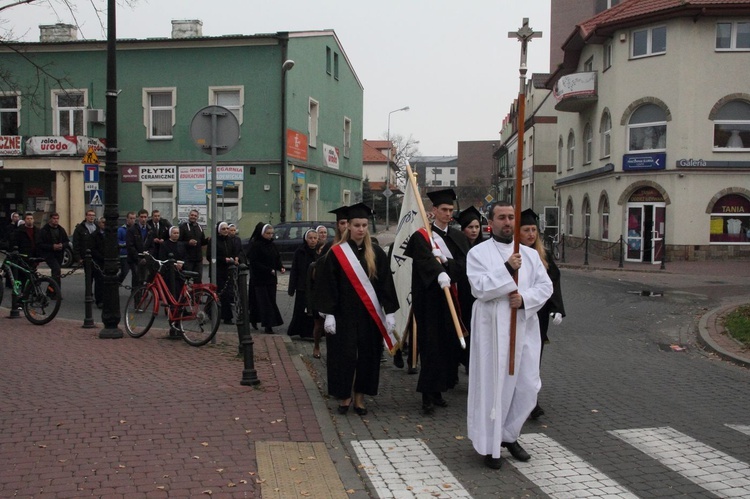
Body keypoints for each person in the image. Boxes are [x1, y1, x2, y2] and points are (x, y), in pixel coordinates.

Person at [466, 202, 553, 470]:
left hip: (523, 326)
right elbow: (479, 288)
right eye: (501, 217)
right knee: (495, 386)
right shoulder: (478, 253)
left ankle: (509, 434)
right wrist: (506, 268)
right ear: (490, 221)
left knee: (527, 386)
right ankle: (490, 445)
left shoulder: (529, 254)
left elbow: (545, 286)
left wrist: (524, 299)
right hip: (493, 327)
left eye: (511, 217)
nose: (507, 222)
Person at [316, 203, 399, 416]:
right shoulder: (336, 253)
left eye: (363, 225)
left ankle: (360, 397)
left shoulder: (377, 253)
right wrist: (329, 314)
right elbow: (327, 285)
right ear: (348, 227)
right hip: (343, 314)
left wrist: (389, 311)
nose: (361, 229)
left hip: (369, 316)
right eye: (356, 225)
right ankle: (344, 396)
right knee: (343, 356)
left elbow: (385, 283)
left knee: (367, 357)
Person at [404, 189, 470, 415]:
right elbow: (422, 263)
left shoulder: (459, 237)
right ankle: (427, 395)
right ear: (433, 211)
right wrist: (437, 271)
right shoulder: (422, 237)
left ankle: (439, 390)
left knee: (446, 347)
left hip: (452, 298)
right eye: (443, 210)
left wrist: (447, 266)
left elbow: (464, 267)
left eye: (451, 210)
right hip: (430, 301)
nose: (448, 214)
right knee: (431, 346)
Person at [518, 208, 566, 419]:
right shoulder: (514, 254)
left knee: (533, 358)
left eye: (534, 230)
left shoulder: (542, 254)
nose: (531, 234)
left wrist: (557, 308)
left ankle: (531, 401)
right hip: (518, 312)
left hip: (538, 314)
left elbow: (553, 280)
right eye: (526, 230)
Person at [248, 223, 285, 333]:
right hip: (259, 279)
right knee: (265, 302)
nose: (270, 236)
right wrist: (268, 269)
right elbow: (254, 262)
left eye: (272, 234)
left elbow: (277, 258)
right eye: (268, 233)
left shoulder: (272, 245)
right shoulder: (256, 245)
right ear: (262, 233)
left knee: (271, 300)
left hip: (271, 278)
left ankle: (256, 319)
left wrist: (280, 267)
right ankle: (268, 325)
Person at [287, 229, 319, 339]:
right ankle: (298, 330)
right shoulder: (299, 252)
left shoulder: (319, 252)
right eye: (310, 238)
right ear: (306, 239)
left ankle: (312, 332)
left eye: (315, 238)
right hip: (302, 286)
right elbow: (294, 270)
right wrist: (291, 288)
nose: (313, 240)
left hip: (315, 287)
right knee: (301, 309)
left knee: (313, 310)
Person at [159, 225, 188, 337]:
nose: (176, 234)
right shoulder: (165, 245)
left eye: (177, 233)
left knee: (180, 300)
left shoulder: (181, 245)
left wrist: (182, 263)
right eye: (174, 233)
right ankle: (173, 325)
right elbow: (163, 259)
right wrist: (174, 264)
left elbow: (185, 257)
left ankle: (179, 325)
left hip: (179, 275)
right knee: (172, 300)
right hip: (169, 275)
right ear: (170, 234)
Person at [214, 221, 240, 325]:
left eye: (226, 229)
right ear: (219, 230)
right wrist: (224, 259)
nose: (226, 231)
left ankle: (219, 314)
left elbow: (234, 251)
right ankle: (226, 317)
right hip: (219, 269)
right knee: (221, 292)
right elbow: (211, 256)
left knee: (227, 293)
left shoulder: (230, 240)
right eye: (223, 229)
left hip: (229, 269)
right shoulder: (215, 241)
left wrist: (235, 258)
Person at [36, 212, 70, 288]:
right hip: (49, 254)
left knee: (56, 273)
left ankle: (53, 291)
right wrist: (52, 246)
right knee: (56, 270)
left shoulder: (61, 229)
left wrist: (62, 245)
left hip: (59, 254)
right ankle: (54, 291)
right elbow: (40, 244)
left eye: (57, 218)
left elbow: (67, 241)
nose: (56, 220)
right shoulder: (44, 230)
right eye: (54, 218)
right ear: (50, 219)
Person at [125, 209, 152, 291]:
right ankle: (136, 299)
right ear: (138, 218)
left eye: (145, 217)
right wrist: (138, 257)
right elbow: (130, 245)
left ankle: (141, 298)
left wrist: (147, 256)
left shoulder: (150, 230)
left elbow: (152, 246)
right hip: (135, 259)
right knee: (136, 278)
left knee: (144, 279)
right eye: (141, 217)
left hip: (146, 258)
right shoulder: (132, 230)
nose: (143, 219)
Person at [179, 209, 208, 283]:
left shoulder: (200, 227)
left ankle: (197, 294)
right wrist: (188, 243)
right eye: (192, 215)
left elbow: (202, 242)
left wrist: (208, 240)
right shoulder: (183, 227)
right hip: (187, 258)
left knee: (198, 279)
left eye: (195, 216)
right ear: (189, 216)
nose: (193, 217)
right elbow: (179, 242)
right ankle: (185, 294)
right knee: (185, 279)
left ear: (197, 217)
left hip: (198, 259)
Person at [117, 212, 136, 284]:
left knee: (136, 274)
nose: (132, 220)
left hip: (134, 254)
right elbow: (118, 241)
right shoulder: (121, 230)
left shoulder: (136, 229)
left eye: (134, 218)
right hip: (125, 254)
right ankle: (116, 284)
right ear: (127, 219)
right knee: (124, 272)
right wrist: (126, 244)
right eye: (130, 218)